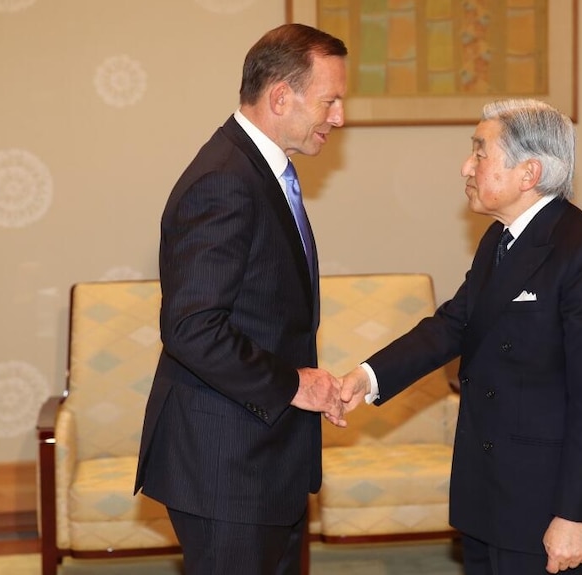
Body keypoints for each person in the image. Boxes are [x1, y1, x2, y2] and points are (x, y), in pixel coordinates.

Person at [341, 98, 582, 574]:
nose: (465, 167)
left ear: (528, 172)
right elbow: (455, 323)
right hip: (487, 487)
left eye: (480, 153)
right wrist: (367, 377)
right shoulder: (500, 237)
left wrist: (576, 513)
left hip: (541, 499)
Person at [134, 23, 348, 575]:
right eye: (330, 101)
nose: (339, 118)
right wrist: (293, 383)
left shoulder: (261, 170)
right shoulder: (225, 179)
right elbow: (192, 328)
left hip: (262, 455)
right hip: (225, 464)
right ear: (281, 96)